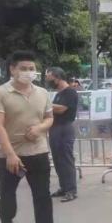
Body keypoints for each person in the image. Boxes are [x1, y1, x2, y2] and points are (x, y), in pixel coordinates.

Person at [0, 51, 64, 223]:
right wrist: (10, 154)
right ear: (12, 69)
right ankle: (6, 222)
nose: (28, 72)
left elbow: (49, 118)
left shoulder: (42, 93)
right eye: (23, 68)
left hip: (38, 151)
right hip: (9, 154)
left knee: (42, 195)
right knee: (7, 193)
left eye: (31, 68)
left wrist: (40, 128)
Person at [46, 67, 78, 202]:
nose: (48, 81)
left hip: (65, 128)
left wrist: (45, 104)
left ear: (58, 78)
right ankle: (63, 187)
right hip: (55, 128)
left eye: (50, 78)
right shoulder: (59, 93)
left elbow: (61, 109)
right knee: (58, 160)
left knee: (66, 159)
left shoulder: (70, 92)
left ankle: (71, 190)